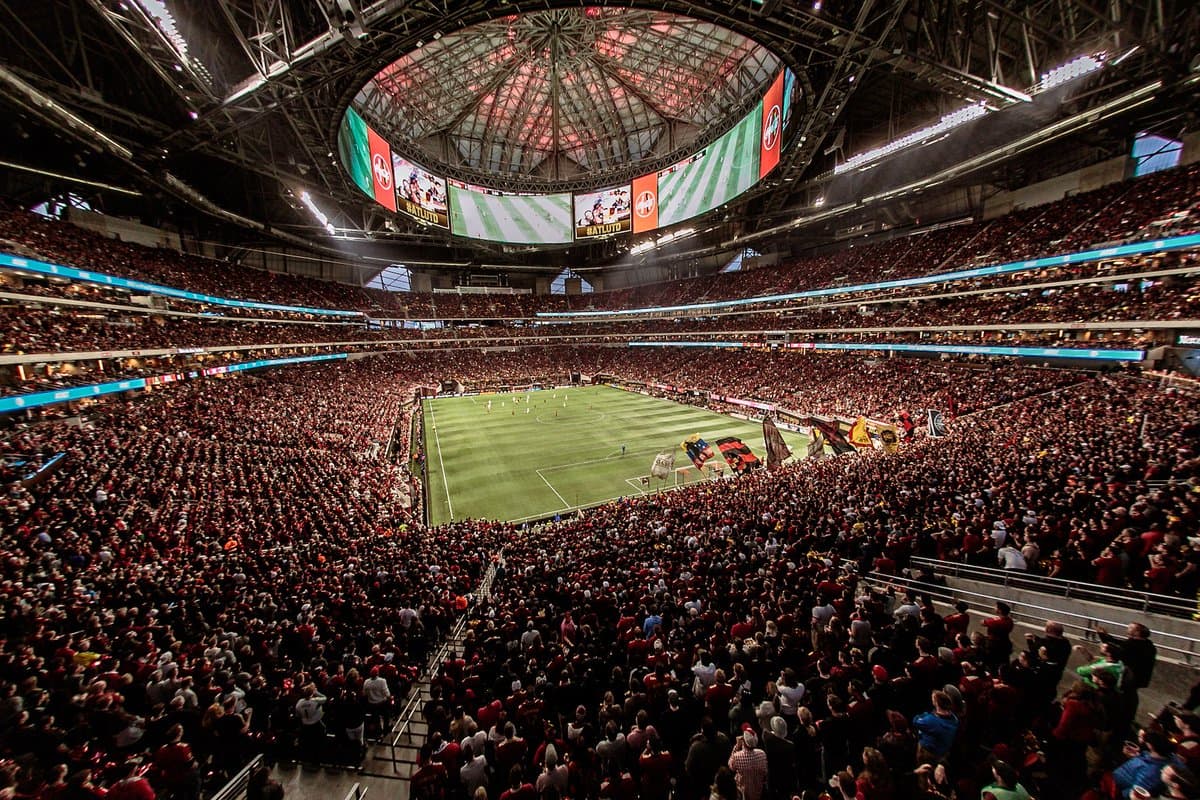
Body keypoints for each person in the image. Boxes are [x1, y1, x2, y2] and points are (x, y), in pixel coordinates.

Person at [1098, 623, 1158, 690]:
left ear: (1137, 632)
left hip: (1129, 677)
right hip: (1139, 678)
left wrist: (1103, 637)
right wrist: (1104, 635)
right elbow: (1117, 643)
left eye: (1130, 628)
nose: (1127, 629)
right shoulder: (1148, 644)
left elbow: (1115, 649)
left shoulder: (1133, 645)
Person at [727, 726, 768, 800]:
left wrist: (737, 746)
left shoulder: (737, 756)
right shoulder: (762, 754)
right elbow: (765, 772)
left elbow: (731, 766)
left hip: (742, 792)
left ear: (744, 742)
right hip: (758, 792)